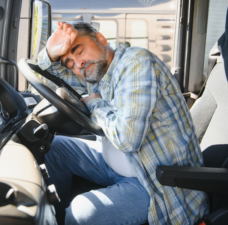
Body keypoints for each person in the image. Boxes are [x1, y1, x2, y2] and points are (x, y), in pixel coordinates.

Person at [37, 21, 209, 225]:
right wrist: (49, 51)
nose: (78, 63)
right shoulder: (98, 73)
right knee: (54, 148)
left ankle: (68, 220)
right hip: (118, 164)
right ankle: (56, 219)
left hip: (152, 182)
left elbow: (128, 140)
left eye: (79, 50)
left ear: (100, 39)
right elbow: (51, 75)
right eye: (71, 63)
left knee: (81, 212)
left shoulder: (136, 63)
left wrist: (96, 103)